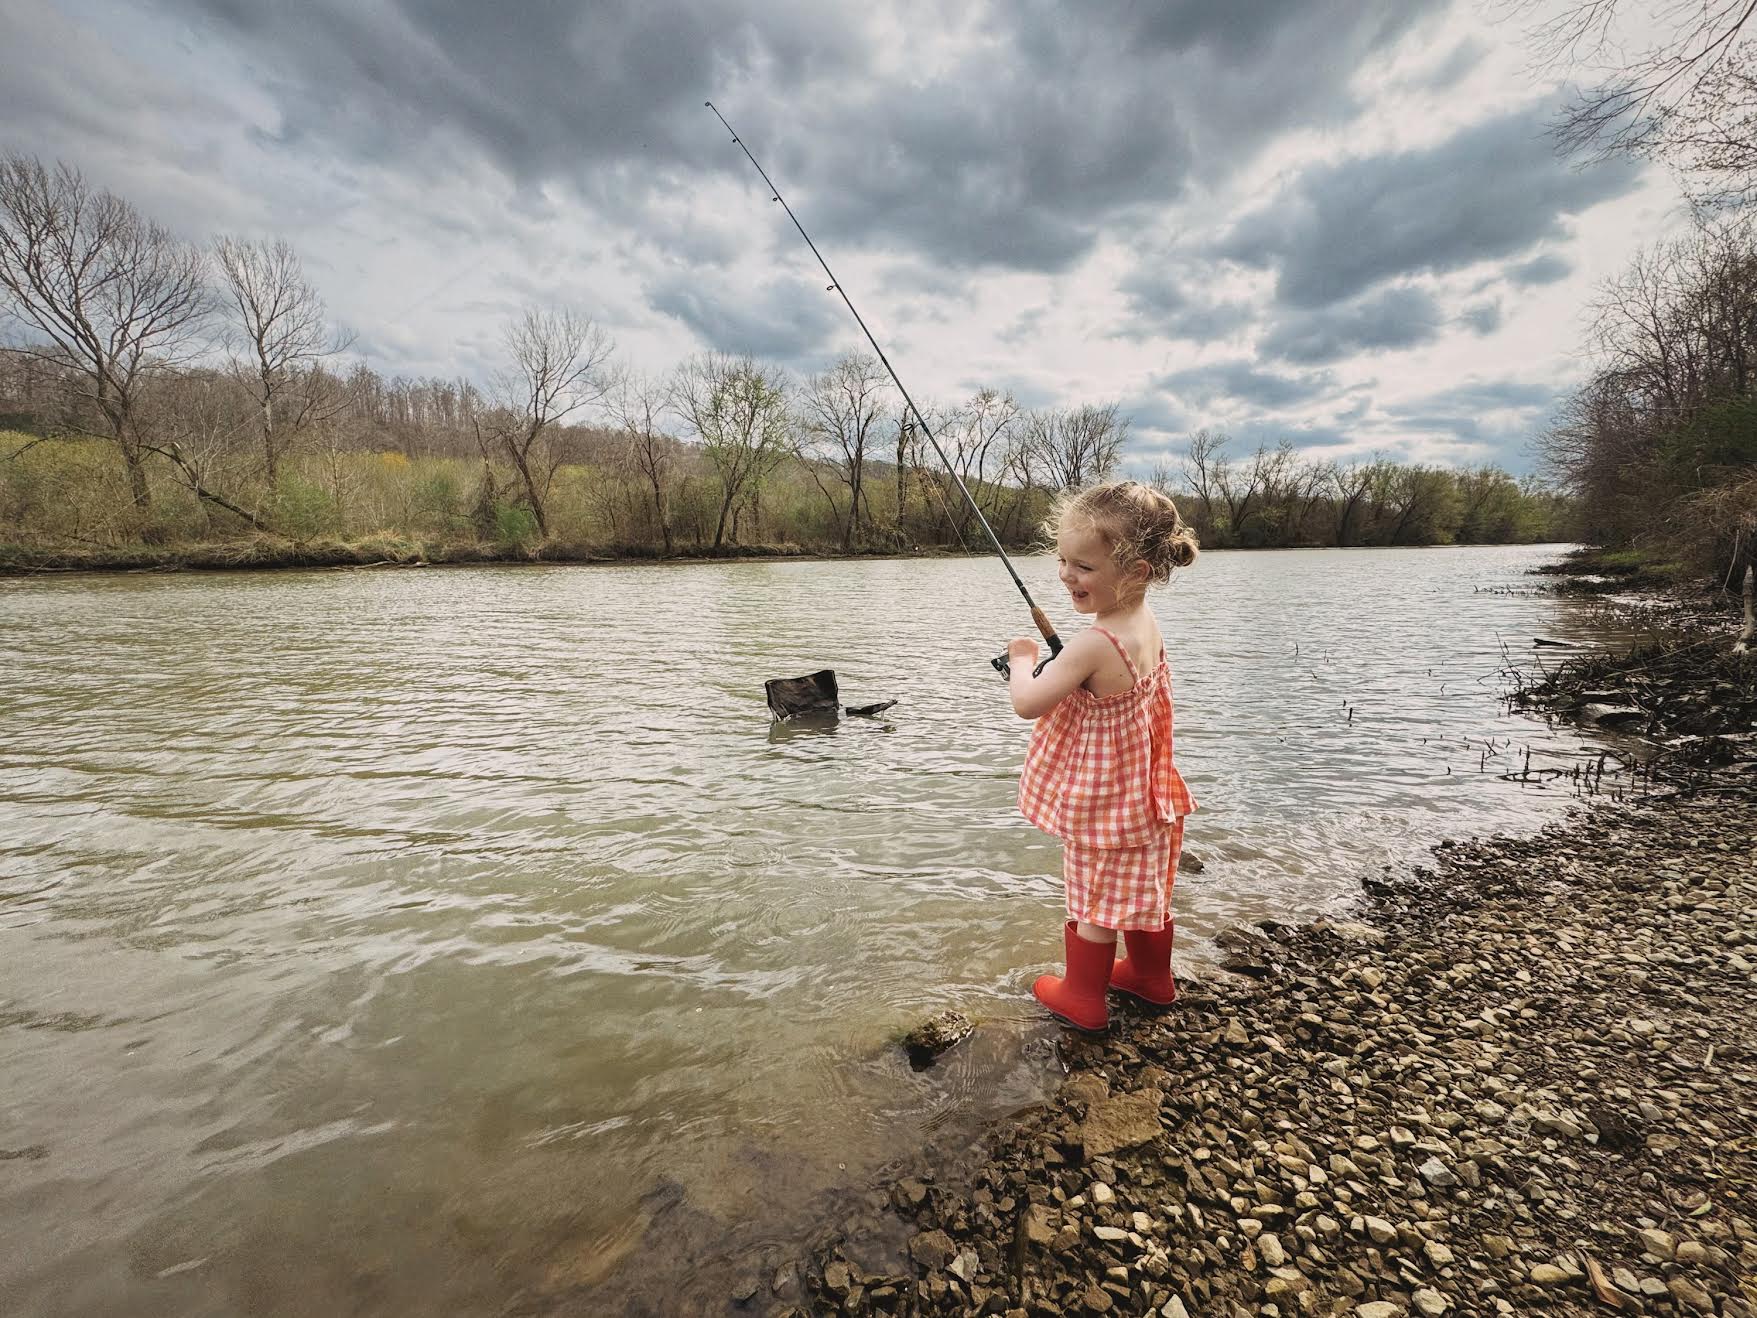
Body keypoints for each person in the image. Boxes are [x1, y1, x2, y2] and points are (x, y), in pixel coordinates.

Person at [1005, 481, 1199, 1032]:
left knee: (1092, 900)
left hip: (1104, 802)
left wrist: (1023, 658)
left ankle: (1083, 998)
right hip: (1148, 790)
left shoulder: (1094, 643)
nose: (1067, 575)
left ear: (1135, 571)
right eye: (1063, 560)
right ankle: (1153, 980)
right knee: (1142, 887)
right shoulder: (1144, 623)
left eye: (1083, 566)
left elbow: (1028, 703)